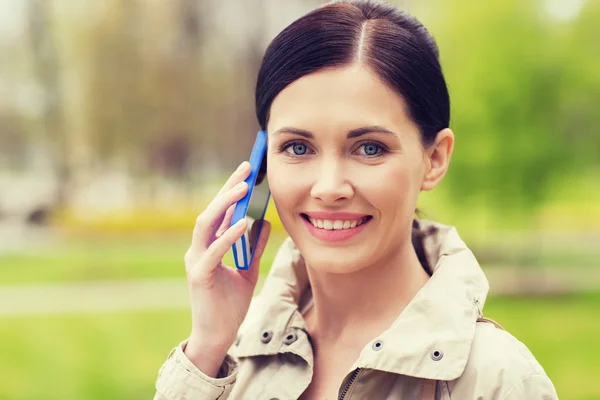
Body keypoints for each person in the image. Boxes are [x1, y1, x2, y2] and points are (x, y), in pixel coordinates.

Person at [154, 1, 558, 398]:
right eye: (297, 147)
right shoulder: (229, 361)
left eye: (369, 148)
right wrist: (206, 350)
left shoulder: (500, 381)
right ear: (262, 162)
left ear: (434, 159)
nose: (329, 188)